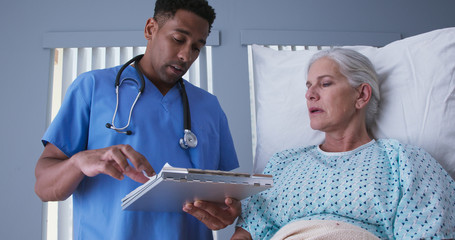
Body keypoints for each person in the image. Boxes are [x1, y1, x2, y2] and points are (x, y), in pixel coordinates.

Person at [34, 0, 241, 239]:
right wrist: (78, 162)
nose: (186, 55)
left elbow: (226, 197)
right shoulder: (92, 88)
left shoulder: (209, 106)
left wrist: (230, 211)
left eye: (197, 47)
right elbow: (43, 188)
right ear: (150, 29)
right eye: (178, 39)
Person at [231, 48, 455, 239]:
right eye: (308, 86)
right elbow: (248, 232)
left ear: (362, 95)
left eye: (325, 83)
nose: (310, 94)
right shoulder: (283, 163)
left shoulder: (405, 161)